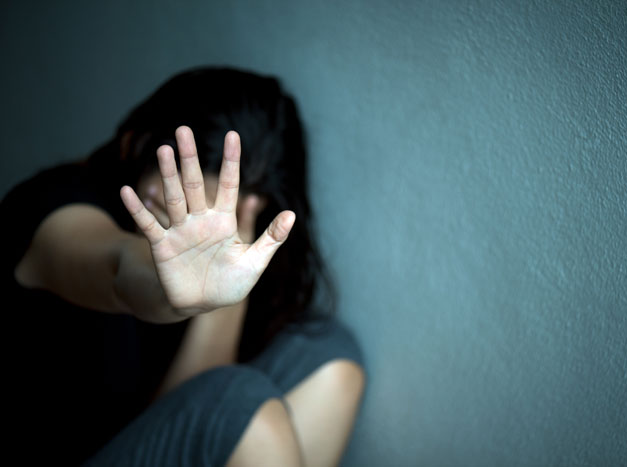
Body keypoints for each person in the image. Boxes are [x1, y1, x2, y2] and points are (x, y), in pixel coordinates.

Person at [3, 66, 365, 466]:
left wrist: (222, 298)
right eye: (176, 205)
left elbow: (186, 404)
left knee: (325, 349)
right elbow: (116, 268)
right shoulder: (54, 207)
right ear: (135, 143)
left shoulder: (232, 243)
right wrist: (170, 290)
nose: (192, 227)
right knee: (234, 399)